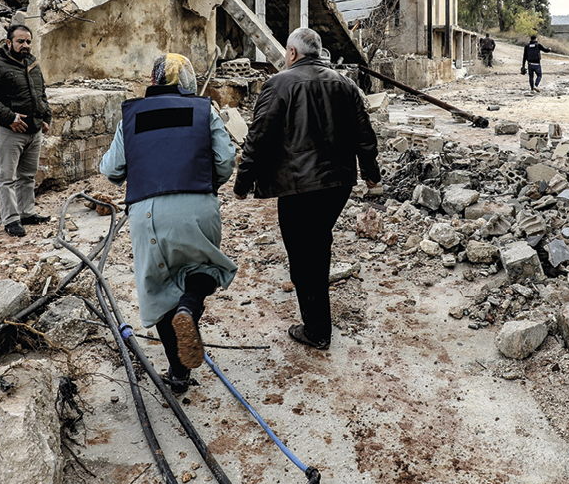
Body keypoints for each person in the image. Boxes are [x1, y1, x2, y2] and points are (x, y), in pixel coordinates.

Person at [234, 27, 380, 351]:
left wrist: (242, 182)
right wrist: (371, 173)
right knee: (317, 243)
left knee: (302, 254)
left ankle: (316, 330)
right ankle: (317, 322)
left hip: (298, 186)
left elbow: (258, 137)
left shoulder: (278, 85)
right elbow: (365, 134)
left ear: (292, 53)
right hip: (337, 184)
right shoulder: (346, 84)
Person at [101, 54, 237, 393]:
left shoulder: (131, 115)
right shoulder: (204, 110)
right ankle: (189, 307)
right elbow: (225, 161)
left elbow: (111, 170)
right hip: (196, 204)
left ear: (153, 79)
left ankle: (178, 375)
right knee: (205, 265)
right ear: (187, 81)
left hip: (146, 213)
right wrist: (204, 183)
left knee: (160, 290)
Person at [0, 23, 52, 237]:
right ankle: (11, 220)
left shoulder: (32, 64)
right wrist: (10, 117)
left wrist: (46, 116)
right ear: (8, 42)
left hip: (33, 131)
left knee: (27, 175)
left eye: (28, 41)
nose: (25, 45)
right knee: (7, 177)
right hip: (8, 130)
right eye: (20, 41)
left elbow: (41, 93)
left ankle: (27, 213)